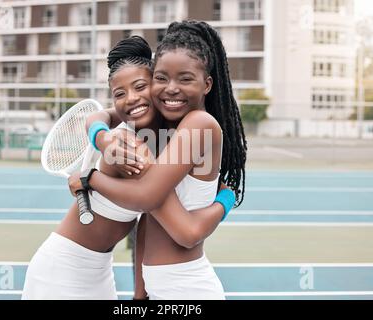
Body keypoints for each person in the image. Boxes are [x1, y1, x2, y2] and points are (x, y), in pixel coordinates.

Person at [22, 35, 232, 300]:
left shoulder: (165, 136)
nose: (131, 99)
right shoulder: (127, 142)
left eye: (141, 86)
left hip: (98, 271)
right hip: (63, 270)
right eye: (119, 94)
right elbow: (164, 213)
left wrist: (138, 296)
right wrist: (93, 168)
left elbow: (148, 220)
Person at [68, 21, 247, 300]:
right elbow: (147, 223)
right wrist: (140, 294)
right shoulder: (162, 129)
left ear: (207, 83)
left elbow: (148, 198)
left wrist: (88, 179)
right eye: (161, 79)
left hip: (187, 289)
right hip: (160, 288)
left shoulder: (199, 124)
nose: (171, 89)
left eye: (185, 79)